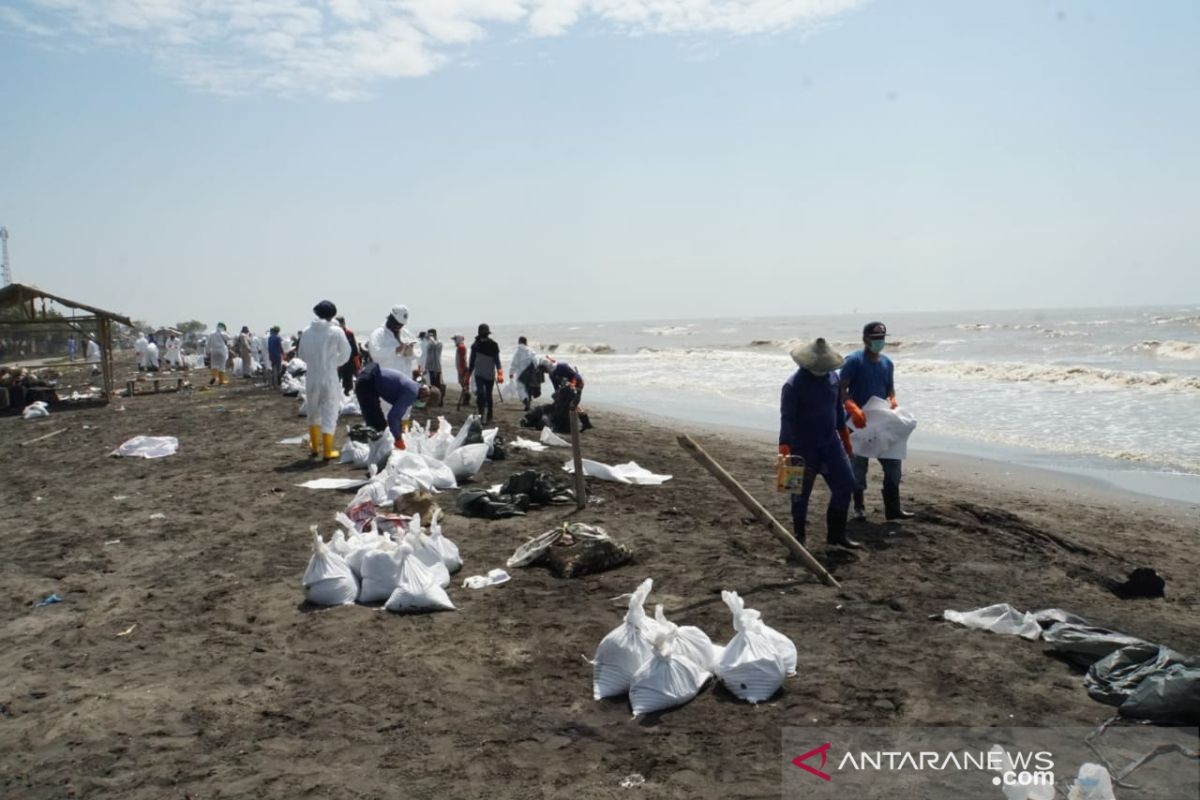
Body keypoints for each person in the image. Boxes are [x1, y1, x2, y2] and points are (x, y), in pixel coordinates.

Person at [779, 338, 860, 549]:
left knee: (846, 484)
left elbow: (838, 413)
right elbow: (787, 418)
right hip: (801, 446)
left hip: (830, 443)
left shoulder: (833, 378)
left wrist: (846, 438)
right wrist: (784, 446)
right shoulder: (792, 386)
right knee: (798, 493)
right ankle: (800, 537)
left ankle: (836, 534)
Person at [840, 321, 914, 521]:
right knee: (858, 468)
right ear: (865, 339)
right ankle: (859, 507)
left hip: (882, 421)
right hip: (858, 422)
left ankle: (893, 508)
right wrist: (852, 407)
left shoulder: (887, 363)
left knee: (893, 467)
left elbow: (890, 388)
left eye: (882, 338)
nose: (879, 342)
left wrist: (892, 399)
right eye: (875, 339)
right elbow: (841, 388)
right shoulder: (853, 361)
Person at [298, 300, 352, 459]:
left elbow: (301, 355)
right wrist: (333, 362)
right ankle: (328, 450)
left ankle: (314, 447)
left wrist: (314, 362)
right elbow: (346, 354)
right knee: (330, 410)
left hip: (312, 376)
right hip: (328, 376)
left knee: (313, 411)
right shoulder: (336, 331)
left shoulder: (307, 331)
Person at [355, 362, 431, 448]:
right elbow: (393, 417)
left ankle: (374, 447)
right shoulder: (411, 394)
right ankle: (360, 440)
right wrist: (398, 439)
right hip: (367, 384)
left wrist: (397, 431)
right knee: (377, 427)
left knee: (377, 424)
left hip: (370, 380)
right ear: (424, 398)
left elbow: (397, 415)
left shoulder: (413, 387)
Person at [367, 305, 422, 378]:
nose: (399, 327)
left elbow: (419, 351)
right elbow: (375, 352)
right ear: (391, 319)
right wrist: (396, 350)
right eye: (397, 324)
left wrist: (411, 352)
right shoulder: (378, 334)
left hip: (406, 379)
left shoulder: (406, 333)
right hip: (387, 380)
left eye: (401, 325)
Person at [468, 323, 501, 423]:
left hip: (489, 374)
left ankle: (490, 414)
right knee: (481, 393)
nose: (483, 334)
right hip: (479, 374)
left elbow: (497, 360)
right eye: (482, 332)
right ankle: (481, 414)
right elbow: (472, 361)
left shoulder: (493, 345)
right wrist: (468, 374)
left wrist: (500, 372)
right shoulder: (475, 345)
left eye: (485, 332)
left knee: (488, 395)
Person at [510, 336, 539, 411]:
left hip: (521, 373)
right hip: (530, 373)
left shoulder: (518, 352)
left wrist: (511, 372)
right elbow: (535, 361)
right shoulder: (531, 351)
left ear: (519, 342)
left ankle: (526, 402)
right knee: (528, 389)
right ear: (526, 342)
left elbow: (514, 363)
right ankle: (528, 402)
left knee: (521, 389)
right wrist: (535, 369)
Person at [336, 316, 362, 396]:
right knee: (336, 381)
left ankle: (348, 398)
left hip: (349, 362)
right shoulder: (334, 334)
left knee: (348, 383)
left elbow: (354, 349)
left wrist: (357, 364)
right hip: (338, 362)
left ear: (344, 323)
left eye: (340, 323)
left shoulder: (349, 333)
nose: (339, 326)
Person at [423, 328, 445, 406]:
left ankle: (440, 401)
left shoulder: (439, 343)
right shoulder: (428, 343)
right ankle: (433, 400)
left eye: (431, 335)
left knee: (438, 384)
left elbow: (435, 345)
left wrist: (431, 339)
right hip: (430, 366)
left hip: (437, 366)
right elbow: (427, 350)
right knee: (431, 384)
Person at [453, 334, 470, 408]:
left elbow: (462, 359)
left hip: (462, 369)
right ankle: (465, 397)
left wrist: (461, 370)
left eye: (455, 339)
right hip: (462, 368)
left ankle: (466, 398)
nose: (454, 341)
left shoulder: (461, 347)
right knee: (464, 384)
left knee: (464, 384)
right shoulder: (460, 347)